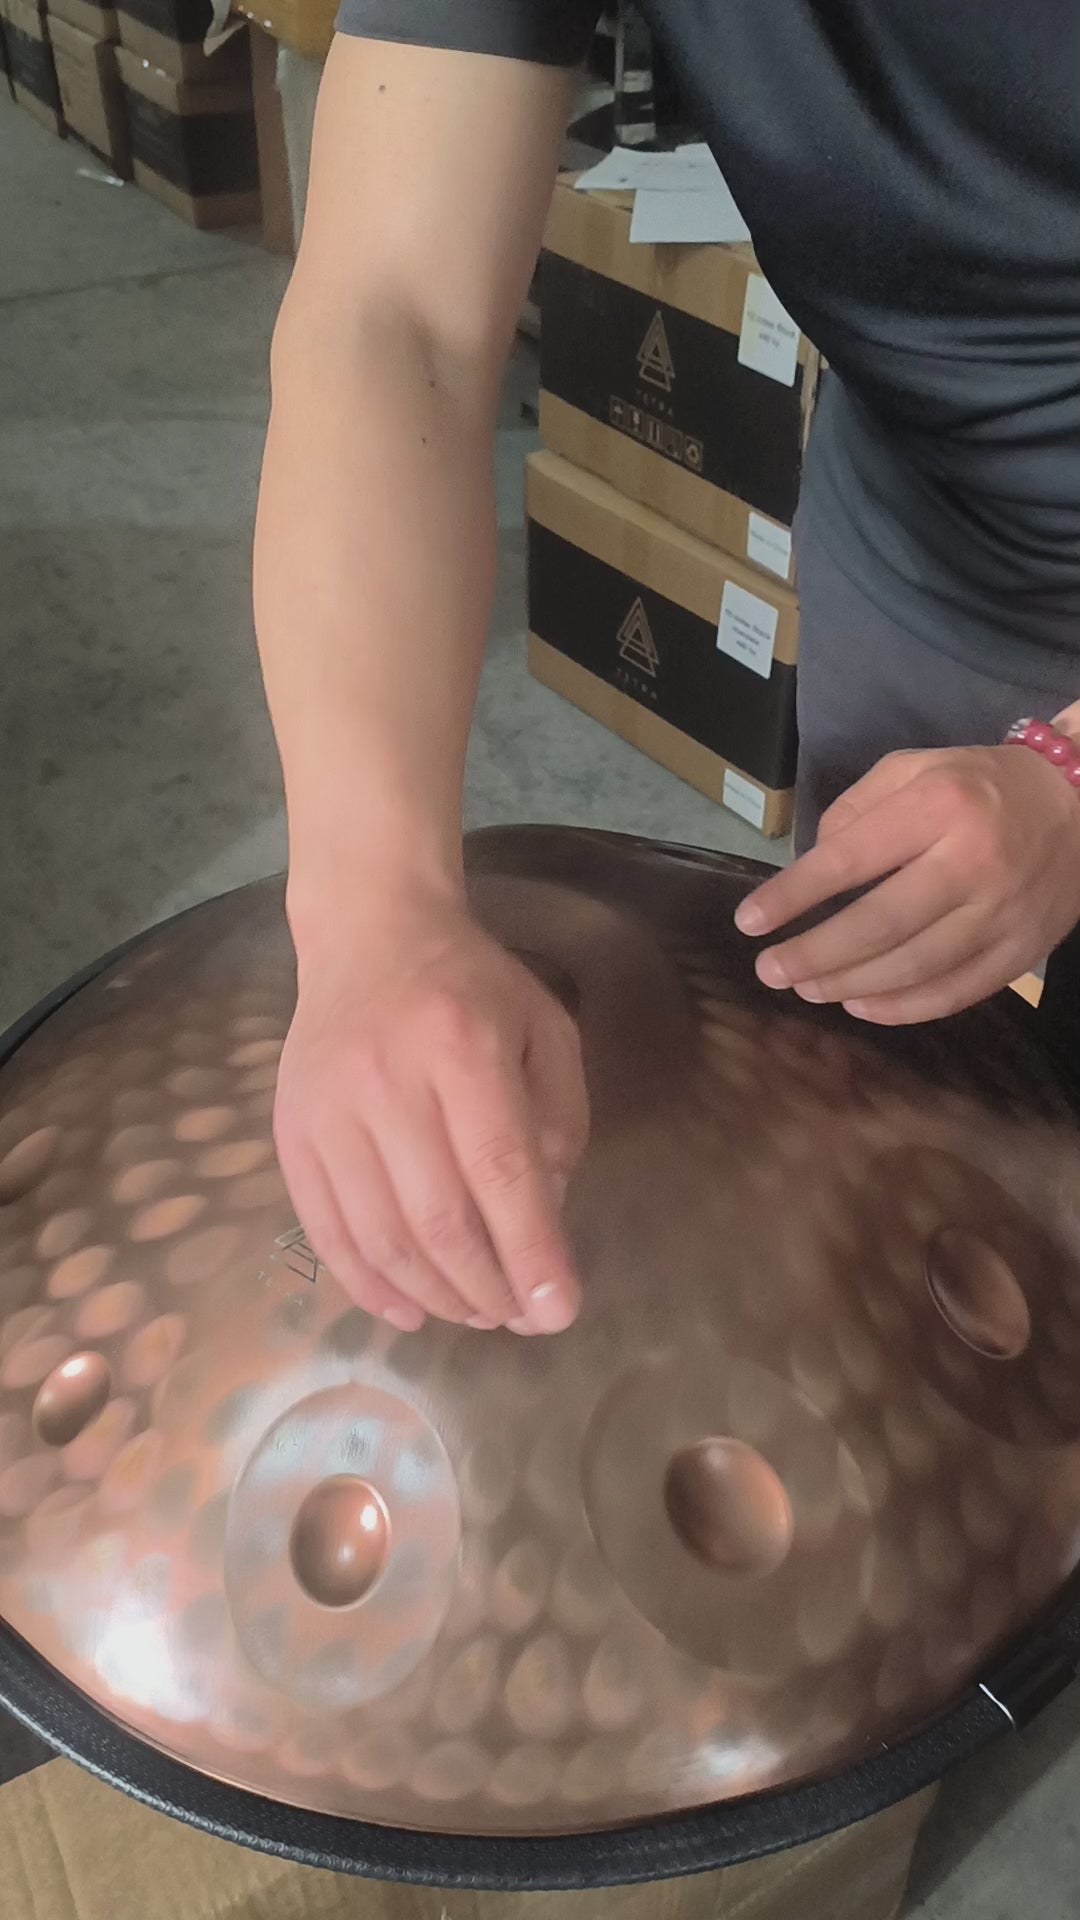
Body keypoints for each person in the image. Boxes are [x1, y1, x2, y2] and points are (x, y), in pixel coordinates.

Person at [253, 2, 1080, 1338]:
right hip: (930, 523)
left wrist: (1070, 775)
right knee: (911, 1144)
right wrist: (370, 911)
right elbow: (393, 316)